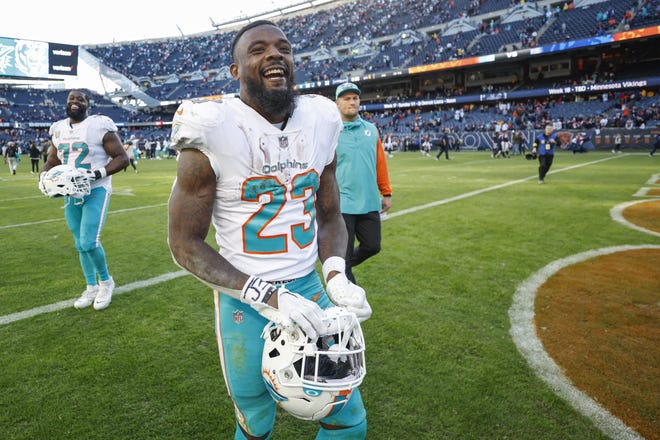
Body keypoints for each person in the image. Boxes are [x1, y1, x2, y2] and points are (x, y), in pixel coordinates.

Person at [167, 21, 371, 440]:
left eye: (284, 48)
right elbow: (184, 243)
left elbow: (330, 214)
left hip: (310, 288)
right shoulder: (212, 125)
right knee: (256, 418)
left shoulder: (322, 118)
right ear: (236, 70)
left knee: (347, 417)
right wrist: (267, 295)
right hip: (245, 298)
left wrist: (335, 273)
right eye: (258, 49)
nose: (275, 54)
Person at [41, 90, 129, 310]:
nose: (75, 101)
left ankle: (106, 282)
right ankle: (91, 287)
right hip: (71, 192)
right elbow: (52, 160)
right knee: (80, 244)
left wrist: (97, 174)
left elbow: (122, 158)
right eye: (71, 98)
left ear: (88, 104)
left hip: (96, 189)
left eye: (80, 99)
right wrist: (43, 176)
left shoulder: (99, 125)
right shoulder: (59, 129)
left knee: (89, 241)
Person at [335, 81, 393, 284]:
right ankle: (351, 306)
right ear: (337, 103)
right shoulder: (331, 132)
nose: (352, 102)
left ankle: (340, 268)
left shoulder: (371, 130)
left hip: (369, 201)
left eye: (355, 98)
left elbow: (380, 163)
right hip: (343, 204)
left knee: (372, 246)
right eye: (347, 98)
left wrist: (386, 192)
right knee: (345, 255)